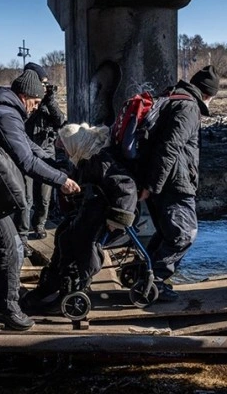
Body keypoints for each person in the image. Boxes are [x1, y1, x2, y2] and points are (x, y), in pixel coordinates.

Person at [0, 69, 80, 331]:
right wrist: (61, 181)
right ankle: (7, 310)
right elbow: (26, 161)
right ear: (24, 96)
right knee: (8, 245)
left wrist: (55, 164)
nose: (35, 108)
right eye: (34, 102)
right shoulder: (5, 114)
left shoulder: (5, 110)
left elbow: (27, 146)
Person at [20, 122, 137, 312]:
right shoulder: (85, 159)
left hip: (104, 217)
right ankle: (52, 283)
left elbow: (127, 188)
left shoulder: (103, 161)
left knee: (80, 243)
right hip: (91, 211)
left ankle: (74, 285)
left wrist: (117, 220)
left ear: (76, 145)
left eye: (67, 149)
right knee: (63, 235)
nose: (66, 154)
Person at [138, 65, 220, 301]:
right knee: (184, 235)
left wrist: (152, 184)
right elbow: (170, 147)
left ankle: (144, 274)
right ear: (207, 94)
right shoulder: (188, 108)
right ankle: (154, 283)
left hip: (164, 181)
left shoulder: (173, 98)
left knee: (167, 232)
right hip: (174, 184)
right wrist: (153, 185)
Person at [13, 62, 66, 257]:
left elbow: (60, 121)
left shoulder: (46, 102)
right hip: (26, 151)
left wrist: (49, 100)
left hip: (46, 151)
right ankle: (23, 236)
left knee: (44, 198)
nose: (44, 87)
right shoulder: (24, 100)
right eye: (42, 83)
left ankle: (40, 224)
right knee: (25, 199)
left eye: (46, 84)